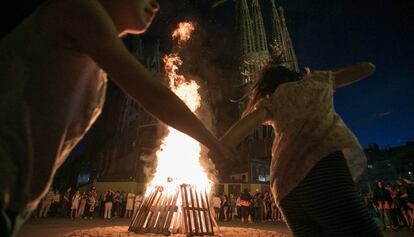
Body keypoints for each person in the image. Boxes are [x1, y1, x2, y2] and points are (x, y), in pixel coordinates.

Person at [0, 1, 233, 236]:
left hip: (14, 203)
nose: (155, 4)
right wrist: (214, 144)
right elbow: (154, 96)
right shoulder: (79, 9)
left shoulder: (96, 51)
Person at [220, 50, 382, 235]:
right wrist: (324, 76)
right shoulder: (315, 83)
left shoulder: (271, 101)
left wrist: (220, 146)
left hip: (284, 187)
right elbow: (367, 68)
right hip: (322, 170)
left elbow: (242, 128)